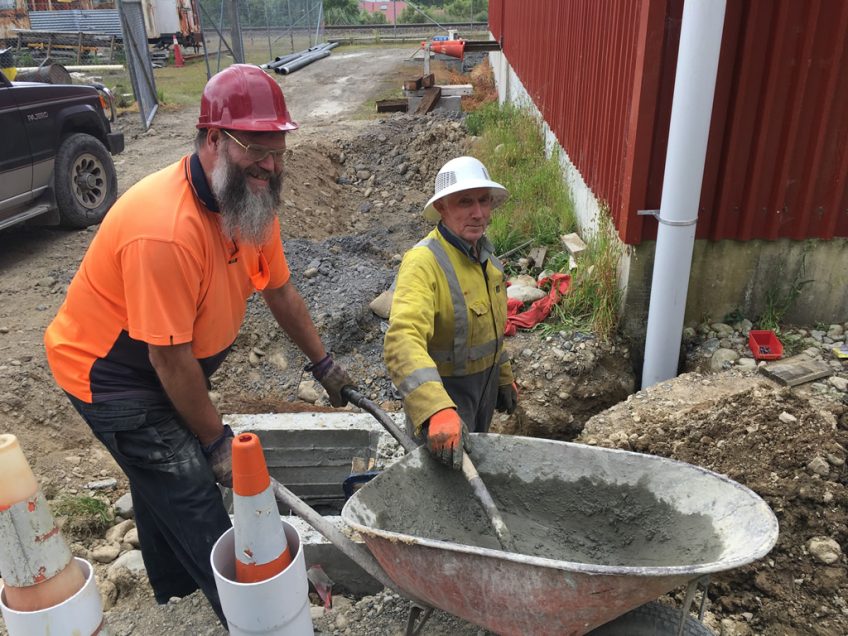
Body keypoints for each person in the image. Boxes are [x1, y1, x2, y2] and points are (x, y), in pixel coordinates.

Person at [43, 64, 353, 625]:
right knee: (192, 494)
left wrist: (324, 363)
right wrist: (215, 443)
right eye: (256, 149)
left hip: (169, 363)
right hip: (112, 375)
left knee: (160, 479)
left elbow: (280, 290)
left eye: (278, 149)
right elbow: (166, 357)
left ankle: (171, 597)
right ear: (214, 139)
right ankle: (251, 618)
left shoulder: (249, 202)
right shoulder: (164, 229)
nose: (272, 165)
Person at [384, 156, 517, 471]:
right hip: (444, 396)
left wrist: (503, 376)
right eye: (465, 202)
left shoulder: (486, 258)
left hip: (482, 392)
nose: (478, 213)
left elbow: (492, 329)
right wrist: (435, 409)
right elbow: (402, 340)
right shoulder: (423, 263)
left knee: (474, 472)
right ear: (442, 207)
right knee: (440, 484)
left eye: (484, 201)